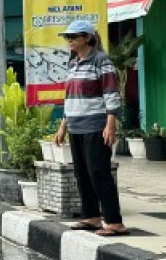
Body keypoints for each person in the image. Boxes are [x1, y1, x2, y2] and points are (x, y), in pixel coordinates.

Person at [54, 20, 127, 236]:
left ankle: (114, 222)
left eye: (74, 37)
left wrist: (111, 122)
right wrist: (63, 126)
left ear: (87, 38)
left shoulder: (100, 60)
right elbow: (69, 97)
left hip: (96, 125)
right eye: (67, 37)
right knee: (82, 173)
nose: (69, 41)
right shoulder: (73, 63)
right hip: (75, 125)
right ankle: (91, 217)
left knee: (98, 172)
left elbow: (111, 92)